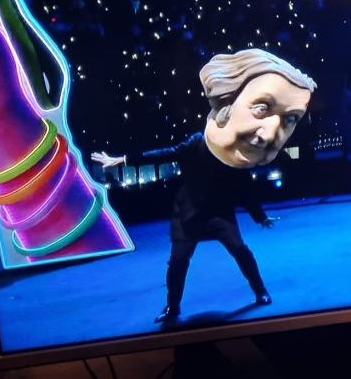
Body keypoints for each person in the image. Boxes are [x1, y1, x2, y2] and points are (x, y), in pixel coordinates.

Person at [92, 49, 316, 323]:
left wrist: (259, 217)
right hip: (188, 214)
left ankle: (261, 292)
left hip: (219, 215)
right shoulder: (197, 143)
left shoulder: (238, 157)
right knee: (178, 262)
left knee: (241, 251)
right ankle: (172, 308)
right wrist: (124, 159)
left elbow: (245, 190)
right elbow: (165, 153)